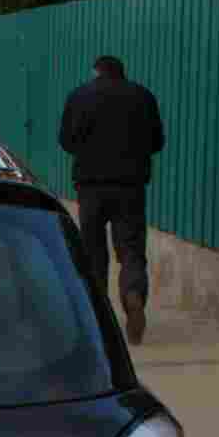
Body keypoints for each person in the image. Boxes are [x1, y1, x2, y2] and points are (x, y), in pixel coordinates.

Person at [57, 55, 164, 344]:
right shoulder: (143, 96)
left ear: (96, 72)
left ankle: (99, 316)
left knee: (92, 251)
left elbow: (66, 140)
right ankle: (133, 293)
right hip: (130, 187)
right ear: (122, 72)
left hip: (91, 187)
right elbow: (157, 142)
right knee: (131, 249)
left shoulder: (79, 96)